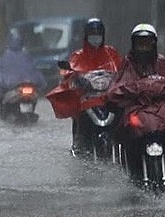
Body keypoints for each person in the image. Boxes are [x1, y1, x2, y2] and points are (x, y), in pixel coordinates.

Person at [107, 23, 165, 153]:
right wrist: (136, 90)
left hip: (162, 112)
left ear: (153, 43)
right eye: (140, 43)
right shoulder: (128, 63)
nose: (143, 47)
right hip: (136, 109)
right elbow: (117, 87)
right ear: (133, 44)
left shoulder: (162, 61)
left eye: (147, 43)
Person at [46, 18, 123, 153]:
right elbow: (69, 75)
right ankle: (79, 143)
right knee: (81, 117)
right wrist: (78, 80)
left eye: (98, 34)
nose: (95, 38)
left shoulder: (112, 53)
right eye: (92, 35)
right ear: (86, 36)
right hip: (87, 100)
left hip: (109, 99)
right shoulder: (78, 56)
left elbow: (122, 70)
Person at [0, 27, 47, 116]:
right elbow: (36, 71)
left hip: (16, 88)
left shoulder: (6, 57)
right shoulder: (26, 56)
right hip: (27, 86)